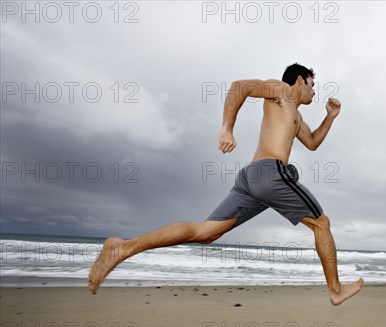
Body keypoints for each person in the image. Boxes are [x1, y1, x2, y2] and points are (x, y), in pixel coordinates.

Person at [87, 63, 363, 306]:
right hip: (270, 173)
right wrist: (226, 127)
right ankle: (335, 290)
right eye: (313, 85)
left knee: (206, 232)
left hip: (252, 179)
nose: (314, 93)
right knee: (321, 224)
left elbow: (313, 143)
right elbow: (239, 87)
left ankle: (123, 247)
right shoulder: (281, 90)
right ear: (300, 79)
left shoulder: (296, 115)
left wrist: (330, 117)